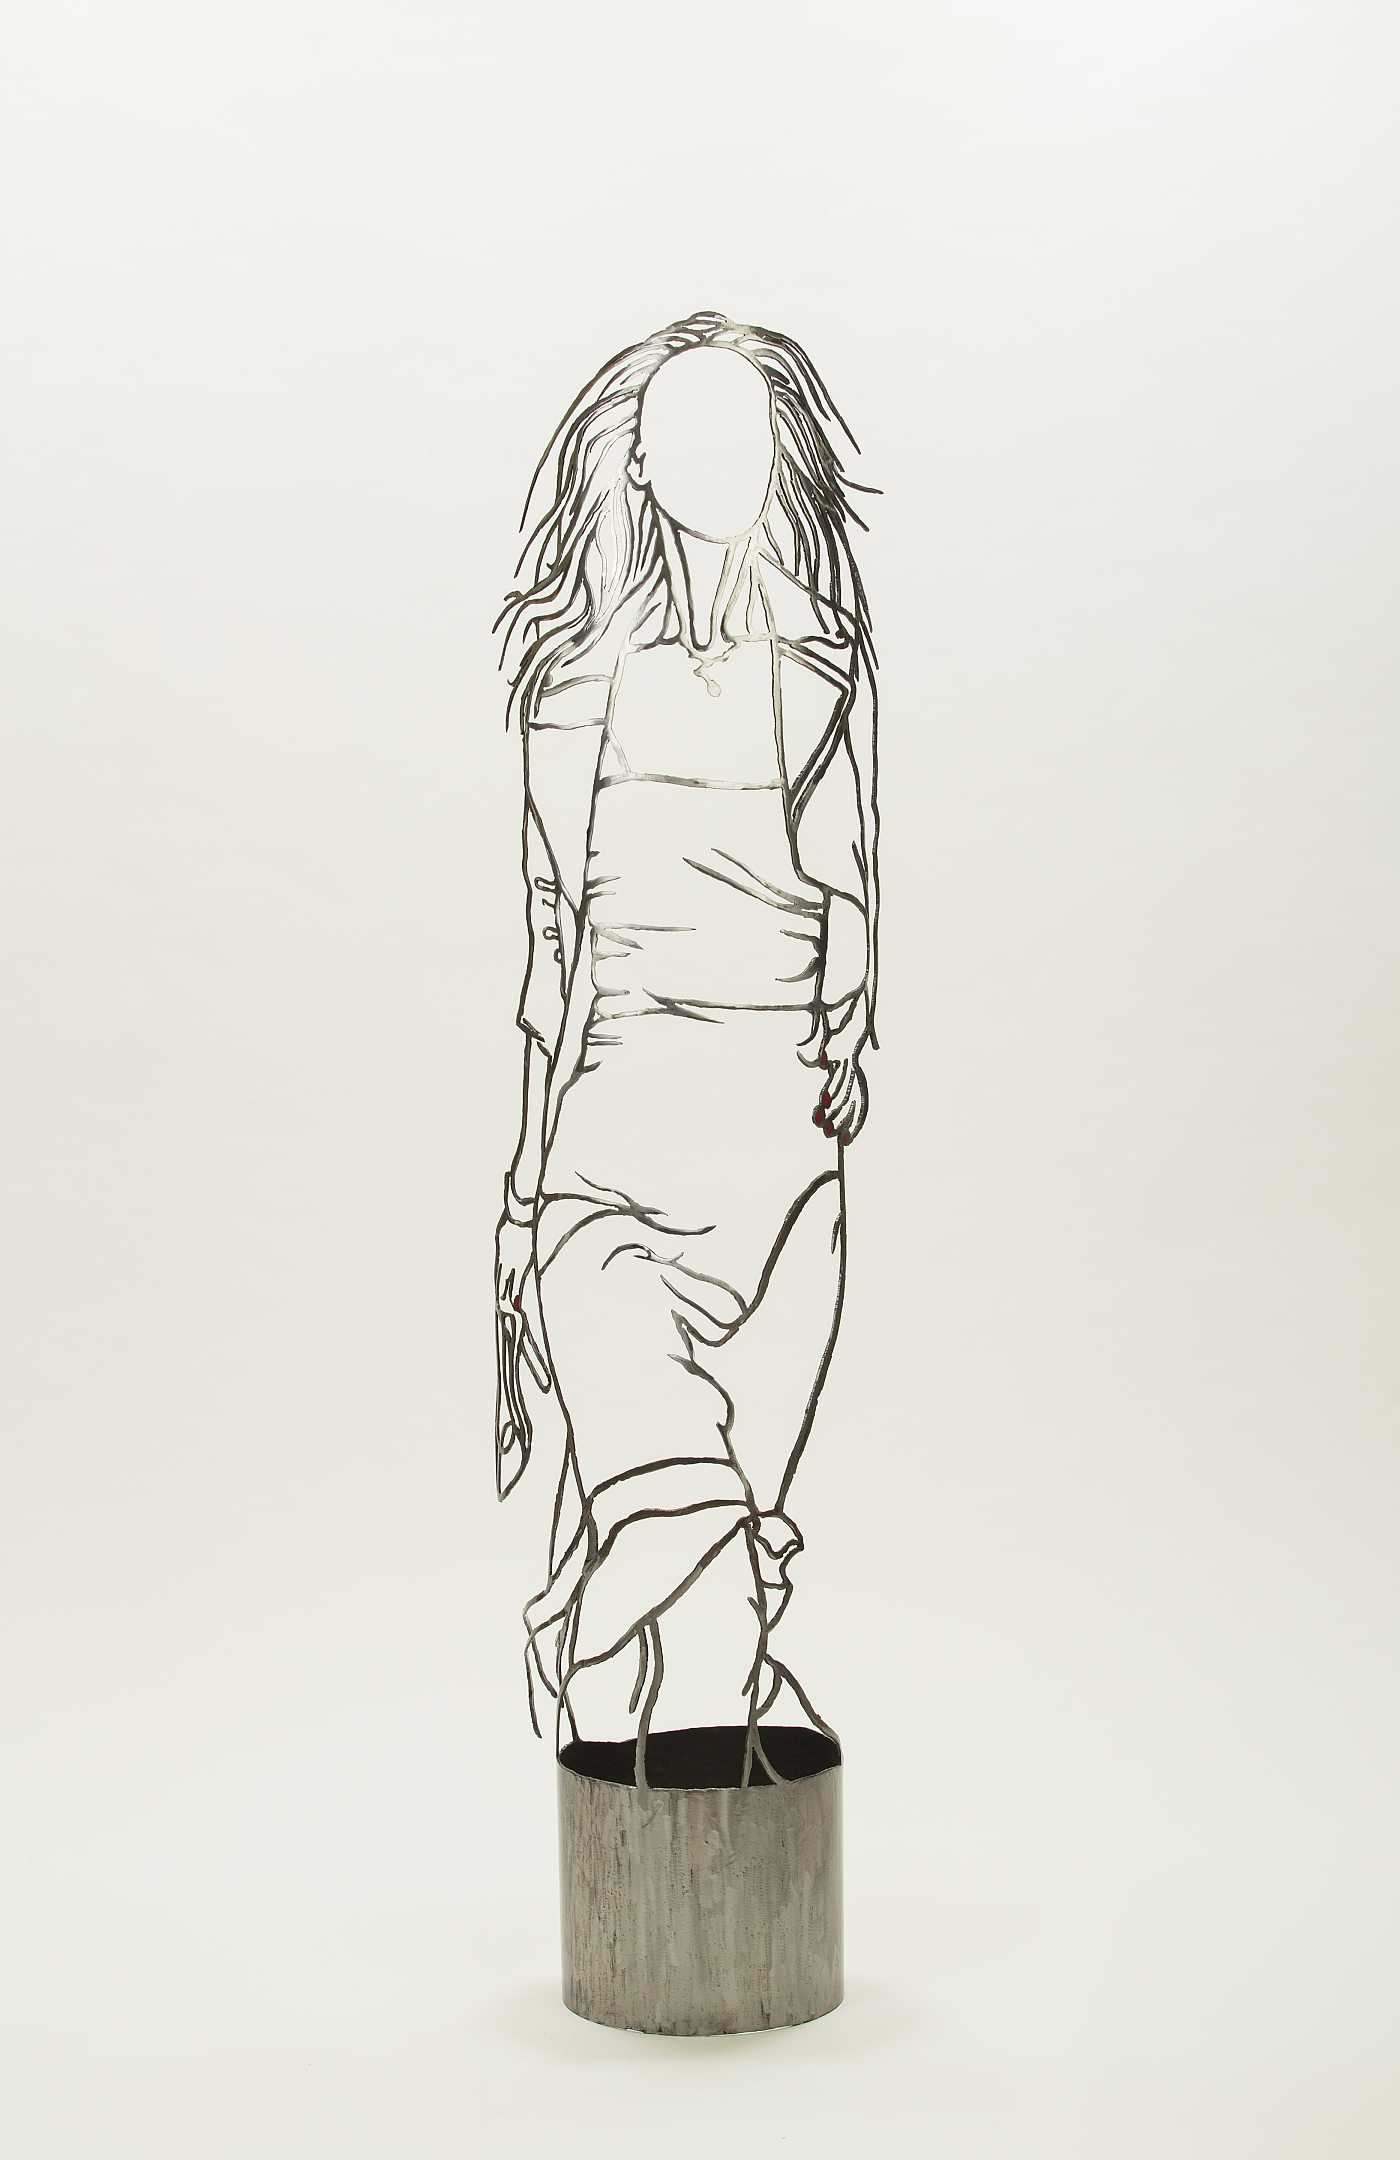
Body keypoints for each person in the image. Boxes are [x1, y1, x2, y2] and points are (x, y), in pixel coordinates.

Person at [494, 312, 878, 1788]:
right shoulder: (572, 686)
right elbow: (551, 953)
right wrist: (522, 1198)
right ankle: (567, 1635)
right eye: (682, 436)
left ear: (778, 458)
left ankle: (713, 1904)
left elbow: (853, 888)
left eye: (744, 435)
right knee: (682, 1524)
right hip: (612, 1179)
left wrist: (850, 1025)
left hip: (786, 1184)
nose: (717, 463)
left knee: (730, 1616)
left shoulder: (825, 665)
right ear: (639, 463)